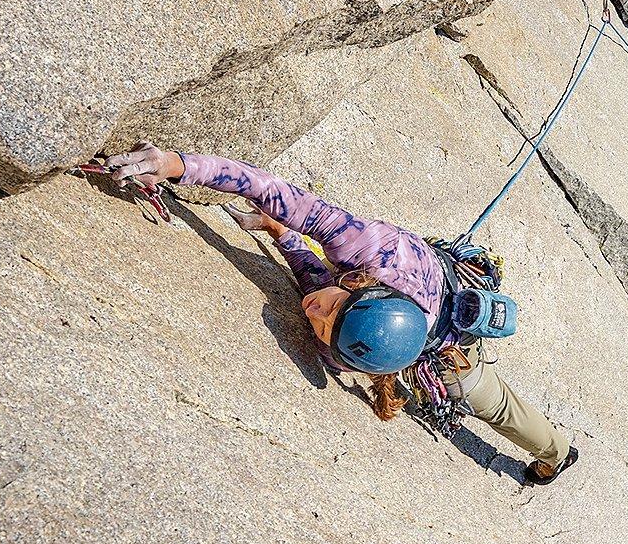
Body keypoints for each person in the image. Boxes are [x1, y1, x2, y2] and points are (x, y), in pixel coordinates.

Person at [103, 143, 578, 485]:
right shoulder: (368, 247)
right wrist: (173, 165)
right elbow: (270, 189)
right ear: (355, 284)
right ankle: (554, 451)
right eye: (331, 309)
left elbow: (316, 287)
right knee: (488, 400)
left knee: (494, 406)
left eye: (325, 327)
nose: (314, 314)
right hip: (416, 288)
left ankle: (556, 453)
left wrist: (285, 239)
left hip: (443, 347)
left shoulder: (345, 347)